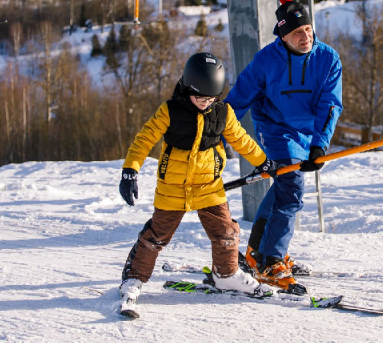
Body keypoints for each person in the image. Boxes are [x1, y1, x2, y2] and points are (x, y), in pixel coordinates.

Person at [118, 52, 280, 302]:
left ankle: (226, 275)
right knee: (156, 236)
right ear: (187, 87)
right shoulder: (169, 111)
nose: (205, 103)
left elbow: (242, 141)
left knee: (226, 231)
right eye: (200, 97)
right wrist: (130, 170)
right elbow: (144, 140)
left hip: (209, 186)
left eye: (211, 98)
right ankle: (135, 278)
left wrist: (264, 161)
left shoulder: (223, 113)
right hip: (173, 187)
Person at [225, 0, 343, 290]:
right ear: (283, 37)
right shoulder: (266, 61)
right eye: (296, 32)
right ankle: (270, 262)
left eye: (307, 29)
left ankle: (256, 252)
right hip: (277, 128)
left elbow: (330, 105)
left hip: (308, 132)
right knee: (291, 187)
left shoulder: (328, 58)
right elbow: (238, 100)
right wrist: (214, 135)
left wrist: (319, 145)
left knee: (282, 184)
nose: (305, 36)